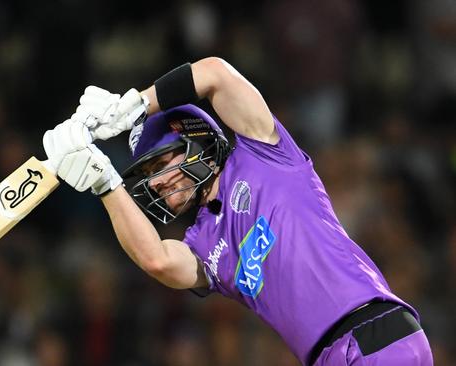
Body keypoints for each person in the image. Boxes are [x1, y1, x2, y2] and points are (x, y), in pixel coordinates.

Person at [42, 57, 433, 365]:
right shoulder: (203, 245)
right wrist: (104, 183)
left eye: (158, 165)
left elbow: (215, 75)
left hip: (371, 332)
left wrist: (135, 105)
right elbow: (157, 260)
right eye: (147, 176)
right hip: (333, 355)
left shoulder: (264, 153)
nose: (156, 183)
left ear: (193, 137)